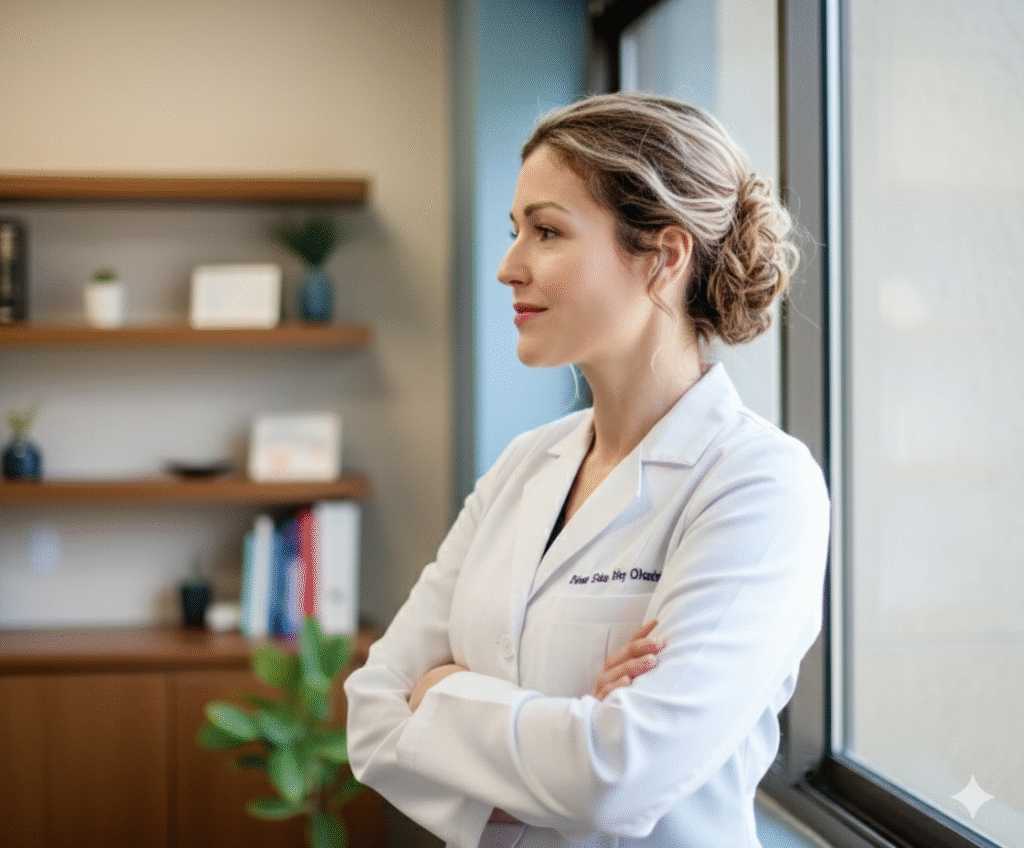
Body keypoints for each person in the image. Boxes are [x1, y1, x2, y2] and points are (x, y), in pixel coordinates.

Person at [344, 92, 830, 848]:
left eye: (546, 231)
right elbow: (373, 713)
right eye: (517, 232)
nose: (508, 268)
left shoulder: (760, 485)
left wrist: (441, 694)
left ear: (665, 257)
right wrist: (570, 730)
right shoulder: (523, 465)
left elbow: (618, 777)